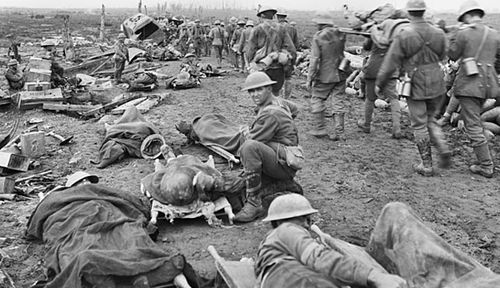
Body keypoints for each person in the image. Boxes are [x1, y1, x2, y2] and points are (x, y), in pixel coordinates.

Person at [255, 194, 500, 288]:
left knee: (394, 212)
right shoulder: (287, 230)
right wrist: (377, 277)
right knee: (396, 213)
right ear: (299, 220)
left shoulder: (280, 245)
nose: (309, 226)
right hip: (298, 280)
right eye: (307, 221)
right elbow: (323, 260)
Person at [376, 0, 451, 176]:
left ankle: (426, 165)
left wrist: (380, 83)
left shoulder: (404, 34)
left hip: (415, 82)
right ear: (424, 12)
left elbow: (390, 61)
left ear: (409, 13)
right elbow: (443, 55)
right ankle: (443, 147)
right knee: (431, 119)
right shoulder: (439, 33)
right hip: (438, 81)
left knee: (419, 123)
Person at [234, 72, 300, 223]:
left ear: (269, 89)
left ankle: (253, 203)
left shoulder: (270, 114)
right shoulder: (279, 102)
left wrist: (247, 133)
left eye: (259, 89)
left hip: (284, 163)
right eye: (251, 91)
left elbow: (251, 141)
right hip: (285, 155)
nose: (254, 94)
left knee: (248, 148)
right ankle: (274, 183)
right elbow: (295, 109)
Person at [448, 0, 500, 178]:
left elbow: (453, 54)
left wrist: (455, 35)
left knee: (473, 126)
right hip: (487, 84)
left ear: (467, 16)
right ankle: (483, 160)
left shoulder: (464, 33)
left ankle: (486, 165)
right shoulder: (493, 33)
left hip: (470, 84)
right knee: (475, 121)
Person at [357, 14, 404, 138]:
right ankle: (397, 128)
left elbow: (366, 47)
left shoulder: (376, 35)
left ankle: (366, 124)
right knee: (394, 99)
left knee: (370, 98)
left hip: (374, 69)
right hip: (391, 70)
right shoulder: (398, 37)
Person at [307, 11, 349, 141]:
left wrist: (310, 77)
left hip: (325, 74)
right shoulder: (341, 34)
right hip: (341, 72)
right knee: (338, 101)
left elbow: (315, 59)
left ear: (321, 24)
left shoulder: (318, 37)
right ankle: (339, 132)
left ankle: (319, 128)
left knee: (317, 98)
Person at [247, 6, 296, 96]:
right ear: (273, 16)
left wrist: (250, 63)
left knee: (262, 94)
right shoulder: (282, 29)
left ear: (261, 15)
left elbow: (250, 50)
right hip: (278, 67)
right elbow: (291, 49)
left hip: (262, 67)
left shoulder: (257, 29)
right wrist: (290, 64)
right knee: (276, 93)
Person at [277, 11, 299, 99]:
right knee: (288, 78)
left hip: (279, 56)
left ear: (277, 17)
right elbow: (296, 44)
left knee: (278, 77)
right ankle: (286, 98)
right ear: (285, 17)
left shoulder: (276, 27)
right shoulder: (293, 28)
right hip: (290, 56)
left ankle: (278, 98)